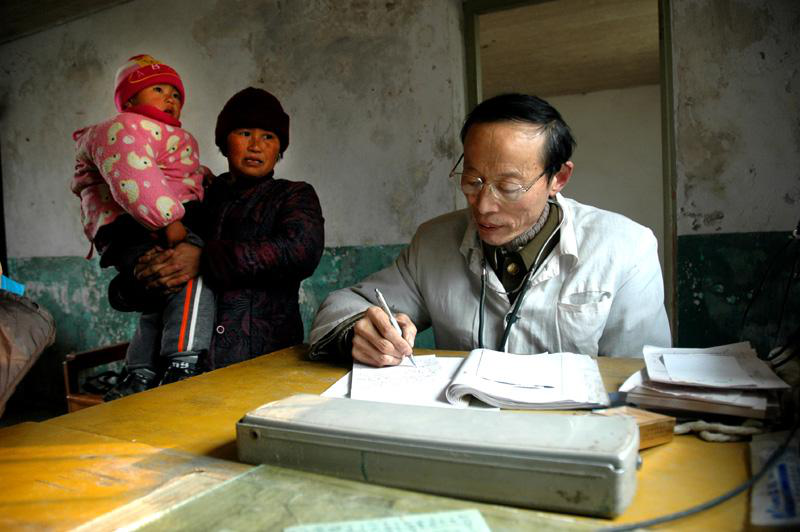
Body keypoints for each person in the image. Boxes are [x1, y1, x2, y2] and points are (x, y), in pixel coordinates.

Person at [309, 93, 671, 367]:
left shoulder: (625, 247)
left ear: (558, 178)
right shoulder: (433, 243)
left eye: (509, 187)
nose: (482, 206)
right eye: (472, 180)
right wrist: (360, 330)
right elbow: (340, 306)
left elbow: (639, 375)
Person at [134, 87, 325, 369]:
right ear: (224, 141)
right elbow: (164, 248)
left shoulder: (293, 196)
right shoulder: (198, 195)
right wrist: (142, 275)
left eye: (268, 137)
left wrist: (204, 259)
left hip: (265, 362)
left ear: (279, 148)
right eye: (245, 133)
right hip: (185, 367)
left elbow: (299, 251)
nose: (256, 145)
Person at [71, 54, 215, 399]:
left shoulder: (155, 134)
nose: (171, 99)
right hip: (144, 222)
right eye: (159, 89)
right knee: (190, 277)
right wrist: (169, 221)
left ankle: (140, 370)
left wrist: (203, 180)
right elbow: (135, 176)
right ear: (130, 100)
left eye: (177, 94)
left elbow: (176, 174)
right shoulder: (124, 128)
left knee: (161, 297)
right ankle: (184, 359)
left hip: (140, 222)